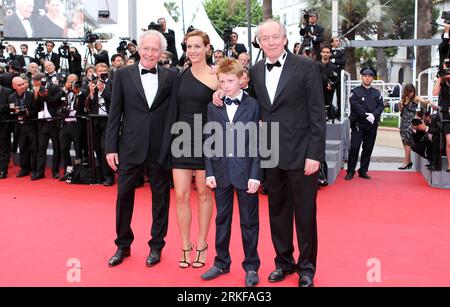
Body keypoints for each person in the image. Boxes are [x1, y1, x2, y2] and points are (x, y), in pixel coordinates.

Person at [214, 20, 326, 287]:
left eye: (276, 37)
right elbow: (245, 102)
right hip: (271, 153)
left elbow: (317, 113)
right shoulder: (254, 71)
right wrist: (219, 94)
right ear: (260, 43)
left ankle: (307, 268)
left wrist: (315, 154)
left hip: (302, 154)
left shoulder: (306, 66)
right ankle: (283, 262)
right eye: (266, 38)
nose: (272, 42)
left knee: (305, 214)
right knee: (278, 212)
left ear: (285, 39)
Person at [105, 30, 178, 268]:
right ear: (138, 49)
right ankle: (122, 245)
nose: (149, 53)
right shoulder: (122, 74)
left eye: (155, 49)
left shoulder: (171, 76)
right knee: (124, 196)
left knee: (161, 199)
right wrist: (110, 147)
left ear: (161, 52)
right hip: (129, 146)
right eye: (146, 48)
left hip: (159, 147)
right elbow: (115, 113)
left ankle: (157, 245)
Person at [200, 58, 261, 287]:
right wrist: (209, 171)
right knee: (222, 219)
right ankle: (221, 262)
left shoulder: (253, 105)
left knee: (249, 221)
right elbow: (209, 140)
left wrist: (256, 174)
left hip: (246, 174)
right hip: (221, 172)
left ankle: (252, 266)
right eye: (222, 81)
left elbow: (258, 141)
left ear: (241, 81)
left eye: (230, 81)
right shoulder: (212, 106)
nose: (226, 85)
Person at [170, 30, 219, 269]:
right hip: (181, 139)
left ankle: (201, 243)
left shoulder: (217, 74)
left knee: (203, 193)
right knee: (180, 196)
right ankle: (185, 244)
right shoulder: (180, 75)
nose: (193, 51)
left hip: (207, 140)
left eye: (197, 46)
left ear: (207, 48)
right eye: (189, 46)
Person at [345, 67, 385, 181]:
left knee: (368, 148)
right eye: (365, 76)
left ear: (372, 78)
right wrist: (367, 115)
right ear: (361, 77)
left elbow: (380, 106)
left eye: (370, 76)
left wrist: (374, 115)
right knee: (354, 148)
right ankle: (350, 171)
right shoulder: (355, 91)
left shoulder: (376, 92)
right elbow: (355, 105)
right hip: (359, 124)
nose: (367, 78)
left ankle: (363, 170)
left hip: (372, 125)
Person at [398, 84, 432, 170]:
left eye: (412, 91)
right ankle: (408, 161)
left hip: (410, 122)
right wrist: (400, 105)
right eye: (409, 91)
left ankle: (406, 162)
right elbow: (402, 111)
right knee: (404, 142)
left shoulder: (416, 98)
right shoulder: (404, 99)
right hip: (403, 122)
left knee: (407, 142)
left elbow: (424, 101)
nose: (410, 93)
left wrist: (429, 101)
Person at [433, 64, 450, 172]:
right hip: (446, 115)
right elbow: (434, 93)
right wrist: (440, 78)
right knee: (449, 142)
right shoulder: (442, 85)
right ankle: (449, 165)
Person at [318, 46, 339, 121]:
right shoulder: (316, 65)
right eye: (324, 52)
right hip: (317, 91)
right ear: (321, 53)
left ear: (330, 54)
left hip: (328, 91)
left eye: (327, 52)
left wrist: (331, 86)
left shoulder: (334, 67)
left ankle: (329, 115)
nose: (325, 54)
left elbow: (336, 80)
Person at [0, 86, 14, 179]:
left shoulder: (8, 91)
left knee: (4, 148)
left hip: (4, 125)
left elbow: (12, 106)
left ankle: (3, 170)